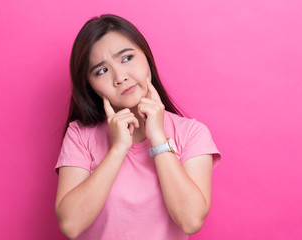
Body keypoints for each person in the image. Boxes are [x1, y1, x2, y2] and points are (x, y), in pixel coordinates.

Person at [54, 14, 221, 240]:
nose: (120, 77)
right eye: (102, 71)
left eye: (127, 58)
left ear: (146, 58)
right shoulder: (80, 135)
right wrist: (118, 149)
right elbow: (70, 225)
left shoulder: (191, 133)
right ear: (90, 85)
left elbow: (190, 220)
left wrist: (158, 137)